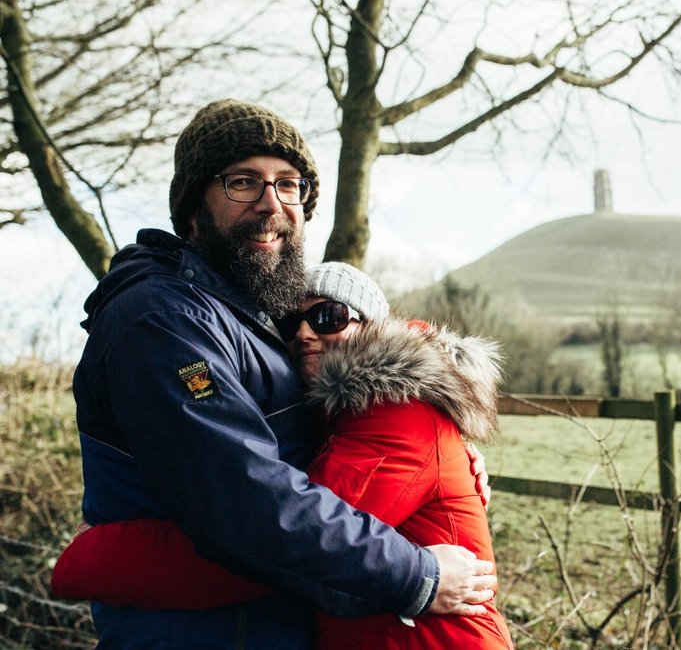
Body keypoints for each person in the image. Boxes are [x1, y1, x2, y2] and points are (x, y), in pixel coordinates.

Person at [68, 99, 495, 648]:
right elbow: (243, 504)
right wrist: (416, 575)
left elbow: (307, 457)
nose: (271, 203)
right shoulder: (166, 319)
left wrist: (443, 458)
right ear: (193, 208)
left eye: (288, 184)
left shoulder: (247, 315)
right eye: (243, 182)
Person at [54, 262, 515, 649]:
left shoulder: (395, 415)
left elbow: (283, 548)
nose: (304, 334)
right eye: (289, 324)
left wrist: (93, 557)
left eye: (329, 316)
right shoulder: (343, 419)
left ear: (374, 328)